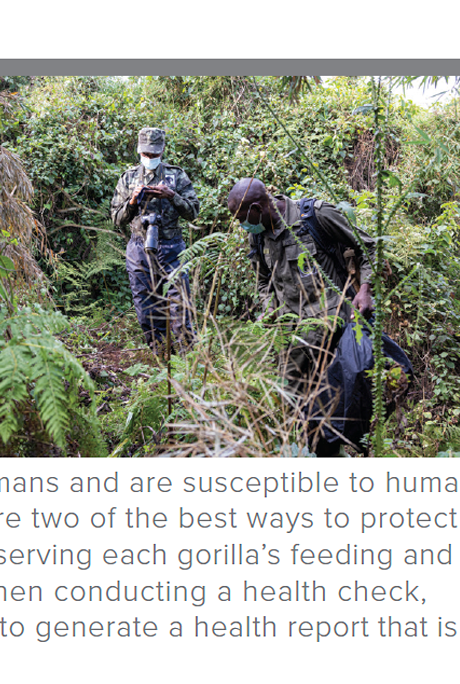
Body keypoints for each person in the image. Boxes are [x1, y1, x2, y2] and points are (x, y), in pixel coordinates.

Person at [225, 177, 376, 453]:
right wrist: (269, 307)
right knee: (294, 413)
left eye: (242, 218)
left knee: (341, 409)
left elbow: (368, 245)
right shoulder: (257, 233)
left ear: (258, 207)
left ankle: (347, 455)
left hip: (334, 335)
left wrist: (364, 290)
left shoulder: (315, 216)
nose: (241, 225)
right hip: (291, 342)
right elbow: (262, 281)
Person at [109, 127, 199, 347]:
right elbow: (116, 219)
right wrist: (132, 202)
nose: (150, 158)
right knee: (147, 311)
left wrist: (172, 196)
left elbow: (193, 212)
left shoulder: (176, 175)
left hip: (172, 248)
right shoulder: (128, 178)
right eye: (146, 154)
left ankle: (188, 365)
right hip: (139, 249)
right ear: (139, 151)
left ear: (163, 151)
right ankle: (161, 361)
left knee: (180, 308)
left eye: (154, 154)